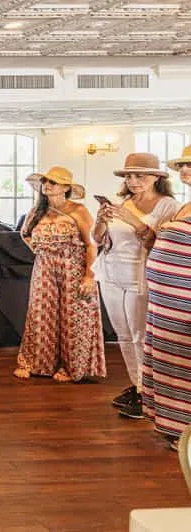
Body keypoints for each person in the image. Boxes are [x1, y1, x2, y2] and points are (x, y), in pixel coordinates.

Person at [93, 153, 179, 419]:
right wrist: (102, 220)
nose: (133, 180)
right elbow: (97, 239)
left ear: (156, 178)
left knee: (140, 335)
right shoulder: (121, 202)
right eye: (129, 176)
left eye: (139, 175)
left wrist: (132, 220)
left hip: (139, 274)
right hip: (110, 273)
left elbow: (161, 244)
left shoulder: (168, 206)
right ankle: (137, 385)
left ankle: (148, 392)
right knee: (122, 334)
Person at [14, 166, 105, 382]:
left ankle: (71, 367)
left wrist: (89, 276)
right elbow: (25, 234)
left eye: (53, 182)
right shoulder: (37, 211)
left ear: (66, 187)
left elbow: (91, 244)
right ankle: (37, 363)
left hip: (72, 265)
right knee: (40, 314)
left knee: (74, 317)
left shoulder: (78, 210)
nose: (47, 185)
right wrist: (40, 250)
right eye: (45, 181)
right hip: (44, 268)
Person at [143, 144, 191, 451]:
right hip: (164, 302)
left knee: (185, 363)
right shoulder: (186, 205)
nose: (185, 170)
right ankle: (176, 427)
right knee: (168, 361)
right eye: (183, 165)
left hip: (185, 301)